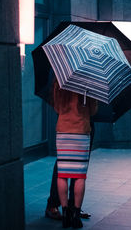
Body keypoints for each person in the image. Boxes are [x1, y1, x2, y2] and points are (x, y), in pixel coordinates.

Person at [49, 80, 97, 228]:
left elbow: (56, 107)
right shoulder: (89, 80)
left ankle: (64, 214)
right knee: (79, 175)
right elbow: (93, 110)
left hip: (63, 130)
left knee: (62, 173)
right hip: (81, 131)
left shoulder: (59, 80)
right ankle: (75, 214)